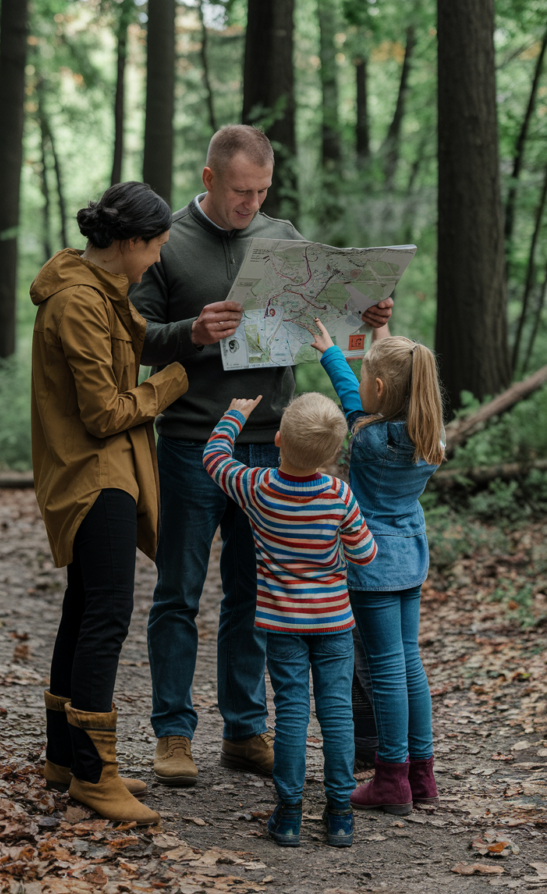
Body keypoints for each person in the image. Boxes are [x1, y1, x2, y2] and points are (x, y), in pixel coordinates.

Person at [130, 124, 393, 786]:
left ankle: (245, 730)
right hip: (193, 438)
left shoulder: (286, 240)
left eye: (262, 191)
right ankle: (173, 734)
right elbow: (132, 339)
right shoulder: (168, 244)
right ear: (210, 178)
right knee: (178, 592)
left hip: (272, 441)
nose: (252, 203)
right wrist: (189, 331)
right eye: (241, 191)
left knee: (255, 592)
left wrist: (366, 309)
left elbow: (323, 316)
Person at [31, 182, 188, 824]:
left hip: (107, 472)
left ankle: (65, 759)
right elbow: (104, 413)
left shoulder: (103, 296)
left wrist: (191, 337)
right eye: (153, 248)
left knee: (85, 605)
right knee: (108, 615)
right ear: (127, 242)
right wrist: (172, 384)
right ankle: (95, 775)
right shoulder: (77, 303)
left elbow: (137, 336)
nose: (155, 260)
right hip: (94, 475)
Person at [203, 392, 377, 846]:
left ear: (279, 438)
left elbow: (214, 459)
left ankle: (290, 813)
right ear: (335, 453)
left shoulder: (258, 487)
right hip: (335, 623)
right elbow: (365, 553)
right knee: (337, 713)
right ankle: (340, 813)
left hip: (282, 626)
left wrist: (233, 415)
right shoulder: (339, 494)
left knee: (293, 713)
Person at [311, 319, 444, 815]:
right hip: (410, 556)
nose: (361, 383)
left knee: (386, 669)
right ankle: (421, 773)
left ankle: (391, 778)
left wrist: (331, 354)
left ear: (381, 389)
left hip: (373, 564)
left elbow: (352, 400)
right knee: (409, 662)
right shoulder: (429, 432)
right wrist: (382, 331)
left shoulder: (369, 441)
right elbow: (384, 385)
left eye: (368, 377)